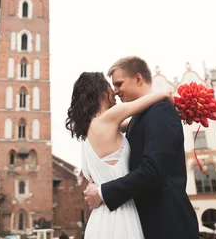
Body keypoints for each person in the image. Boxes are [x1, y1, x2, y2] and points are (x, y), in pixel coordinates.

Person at [81, 56, 199, 239]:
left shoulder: (161, 111)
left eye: (119, 84)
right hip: (145, 221)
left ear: (138, 78)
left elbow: (152, 170)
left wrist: (103, 192)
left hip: (166, 224)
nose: (116, 91)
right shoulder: (138, 117)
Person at [65, 67, 173, 238]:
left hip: (100, 218)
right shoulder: (112, 116)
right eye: (110, 86)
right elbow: (152, 99)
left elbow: (135, 123)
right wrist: (169, 96)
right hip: (120, 214)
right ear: (100, 92)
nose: (115, 92)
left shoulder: (90, 131)